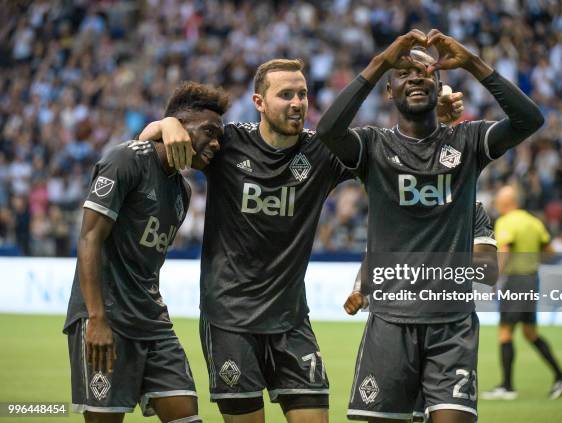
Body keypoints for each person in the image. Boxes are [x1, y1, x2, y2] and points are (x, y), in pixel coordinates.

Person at [139, 59, 463, 423]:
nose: (297, 103)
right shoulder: (226, 144)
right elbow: (151, 139)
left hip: (291, 321)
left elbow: (392, 151)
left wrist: (433, 117)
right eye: (286, 95)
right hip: (229, 322)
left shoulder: (322, 151)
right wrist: (167, 123)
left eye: (303, 94)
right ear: (259, 102)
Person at [316, 29, 544, 423]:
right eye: (403, 73)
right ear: (389, 91)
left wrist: (472, 62)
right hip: (390, 324)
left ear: (440, 86)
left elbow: (529, 119)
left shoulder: (468, 141)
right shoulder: (373, 146)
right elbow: (328, 131)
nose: (416, 77)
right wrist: (380, 62)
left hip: (451, 327)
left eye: (425, 73)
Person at [63, 81, 228, 423]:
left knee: (187, 414)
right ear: (179, 129)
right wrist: (95, 319)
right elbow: (89, 239)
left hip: (152, 322)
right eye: (209, 132)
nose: (215, 143)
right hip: (106, 316)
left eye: (219, 136)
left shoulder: (182, 191)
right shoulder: (125, 159)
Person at [345, 202, 498, 423]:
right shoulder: (393, 202)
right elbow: (376, 254)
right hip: (393, 324)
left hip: (450, 327)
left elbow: (489, 270)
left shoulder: (470, 207)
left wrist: (429, 261)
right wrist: (360, 290)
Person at [482, 185, 562, 400]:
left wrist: (494, 278)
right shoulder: (533, 221)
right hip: (532, 280)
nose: (495, 203)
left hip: (515, 282)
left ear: (506, 202)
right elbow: (549, 252)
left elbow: (504, 250)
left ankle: (507, 387)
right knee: (529, 333)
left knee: (505, 333)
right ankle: (561, 375)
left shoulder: (506, 222)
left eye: (498, 200)